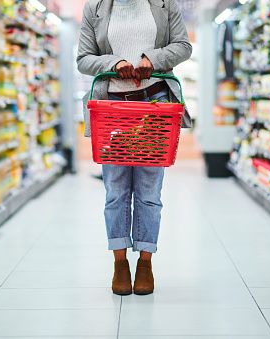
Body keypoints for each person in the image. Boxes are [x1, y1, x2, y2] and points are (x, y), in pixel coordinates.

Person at [77, 0, 192, 295]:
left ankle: (145, 262)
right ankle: (119, 264)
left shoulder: (165, 5)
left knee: (149, 193)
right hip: (112, 110)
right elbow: (84, 59)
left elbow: (182, 46)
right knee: (115, 191)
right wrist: (113, 63)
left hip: (155, 108)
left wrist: (151, 59)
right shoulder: (96, 7)